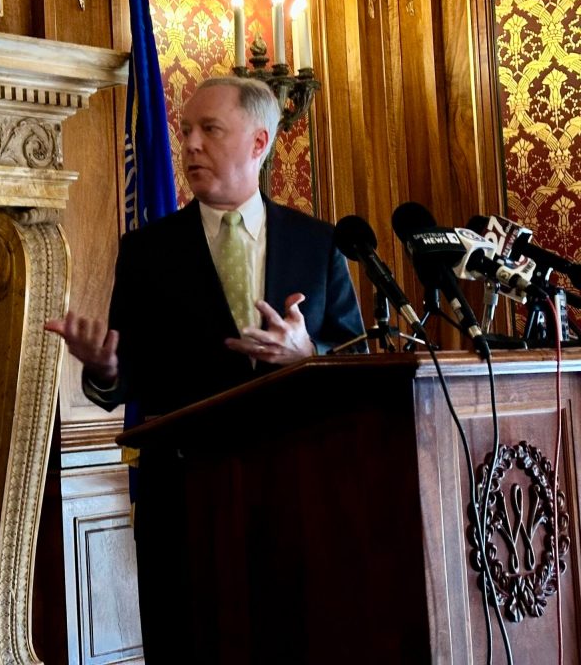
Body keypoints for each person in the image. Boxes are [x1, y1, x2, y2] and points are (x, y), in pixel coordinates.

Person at [44, 76, 364, 661]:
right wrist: (108, 368)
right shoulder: (147, 252)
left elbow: (361, 363)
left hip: (298, 500)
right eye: (185, 131)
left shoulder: (319, 245)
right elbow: (125, 376)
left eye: (209, 130)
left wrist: (308, 358)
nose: (189, 144)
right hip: (186, 509)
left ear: (258, 141)